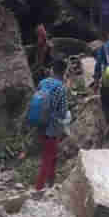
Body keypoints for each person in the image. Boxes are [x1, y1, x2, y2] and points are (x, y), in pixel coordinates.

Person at [34, 57, 68, 191]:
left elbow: (36, 101)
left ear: (52, 70)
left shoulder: (42, 83)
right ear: (63, 72)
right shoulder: (61, 88)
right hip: (52, 128)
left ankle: (51, 183)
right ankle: (39, 189)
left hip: (39, 123)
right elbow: (63, 113)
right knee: (48, 158)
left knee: (52, 154)